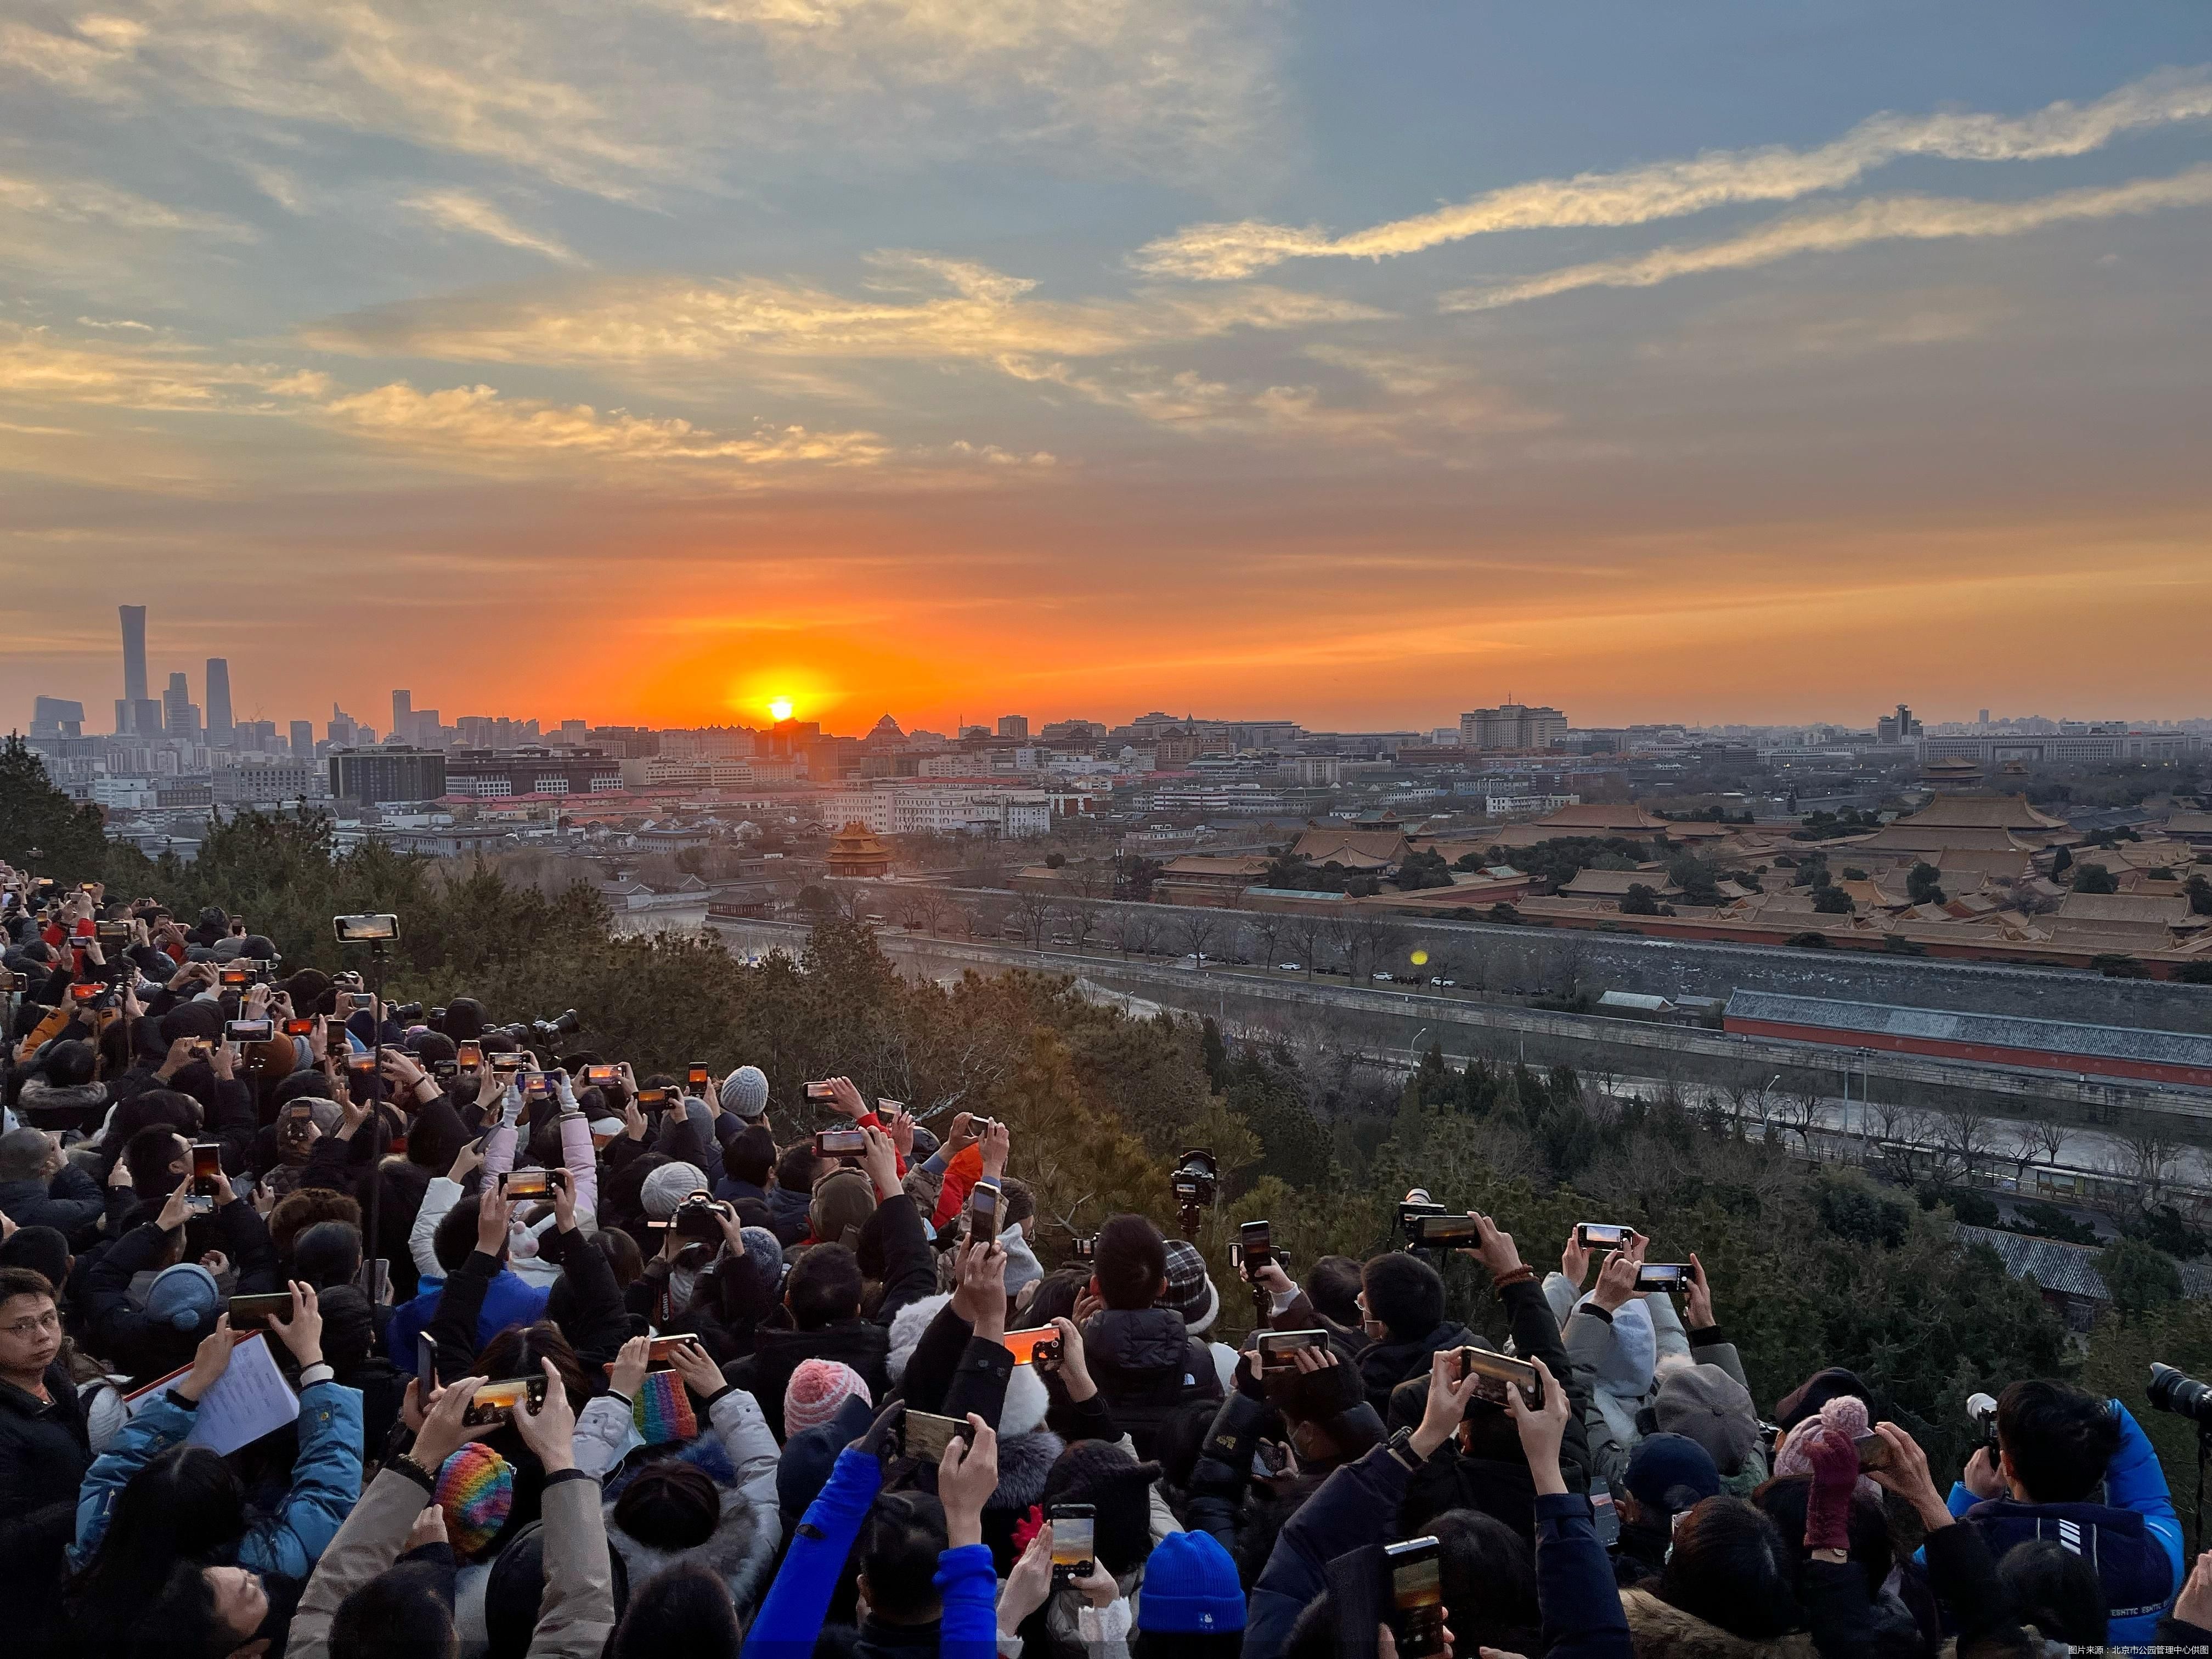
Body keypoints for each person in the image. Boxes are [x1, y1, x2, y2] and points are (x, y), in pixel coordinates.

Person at [64, 1284, 364, 1658]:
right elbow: (327, 1492)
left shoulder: (100, 1538)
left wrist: (190, 1388)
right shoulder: (260, 1565)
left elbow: (114, 1469)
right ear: (228, 1511)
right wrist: (313, 1361)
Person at [1948, 1378, 2182, 1646]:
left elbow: (1927, 1566)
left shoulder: (1969, 1553)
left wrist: (1968, 1500)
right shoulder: (2155, 1559)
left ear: (2008, 1464)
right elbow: (2151, 1502)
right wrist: (2085, 1419)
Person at [0, 1265, 92, 1646]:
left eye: (49, 1319)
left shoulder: (55, 1379)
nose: (43, 1336)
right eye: (22, 1327)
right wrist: (86, 1506)